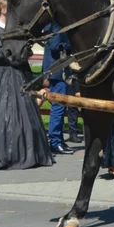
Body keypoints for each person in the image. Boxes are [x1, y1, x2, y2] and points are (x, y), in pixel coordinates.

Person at [0, 2, 54, 171]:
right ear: (5, 10)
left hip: (20, 72)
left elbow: (26, 50)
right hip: (3, 74)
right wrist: (14, 54)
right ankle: (8, 154)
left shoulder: (15, 30)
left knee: (26, 111)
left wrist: (23, 51)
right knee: (4, 112)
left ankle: (30, 152)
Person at [42, 23, 75, 155]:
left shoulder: (55, 25)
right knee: (58, 107)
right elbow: (56, 46)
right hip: (56, 71)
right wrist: (72, 44)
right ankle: (55, 141)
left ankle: (59, 140)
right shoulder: (55, 26)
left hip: (58, 71)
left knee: (60, 107)